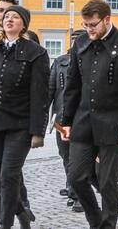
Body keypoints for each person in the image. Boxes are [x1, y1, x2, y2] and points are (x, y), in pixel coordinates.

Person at [59, 0, 118, 229]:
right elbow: (72, 85)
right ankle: (96, 221)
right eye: (86, 24)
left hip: (114, 123)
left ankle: (107, 225)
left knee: (107, 182)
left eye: (93, 25)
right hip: (84, 121)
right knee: (76, 177)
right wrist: (66, 121)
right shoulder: (80, 43)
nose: (89, 29)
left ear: (106, 20)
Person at [0, 5, 50, 229]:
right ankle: (21, 212)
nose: (9, 19)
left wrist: (38, 131)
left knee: (8, 174)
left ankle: (6, 224)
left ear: (24, 24)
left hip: (21, 124)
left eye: (15, 17)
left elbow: (40, 95)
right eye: (6, 16)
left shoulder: (36, 52)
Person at [49, 29, 87, 208]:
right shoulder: (60, 62)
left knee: (80, 156)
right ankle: (72, 186)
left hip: (83, 117)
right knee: (65, 155)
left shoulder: (91, 62)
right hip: (62, 117)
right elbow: (50, 90)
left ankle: (78, 195)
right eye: (73, 40)